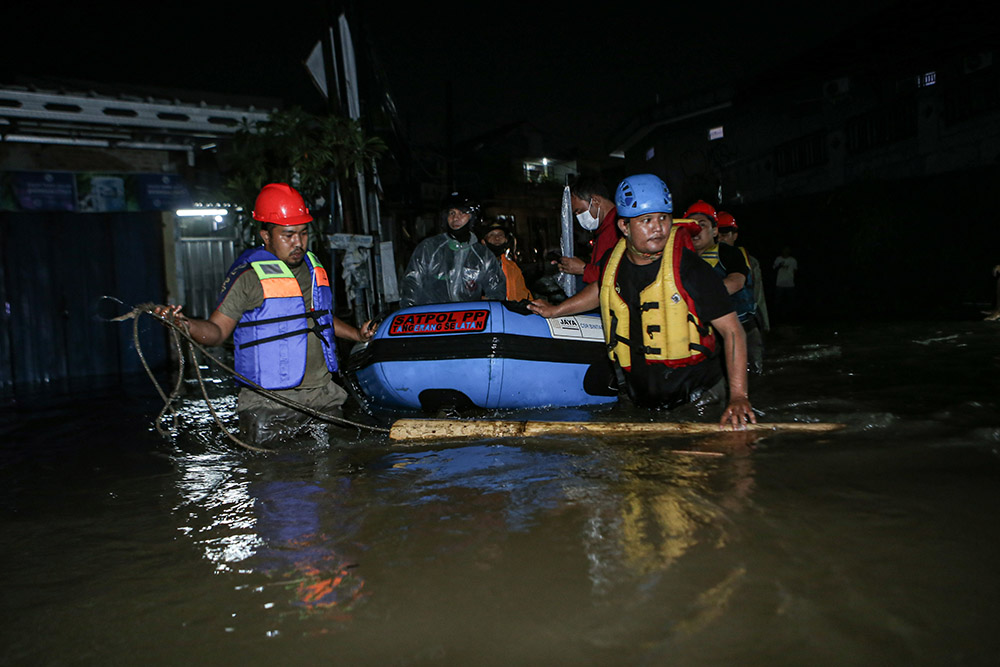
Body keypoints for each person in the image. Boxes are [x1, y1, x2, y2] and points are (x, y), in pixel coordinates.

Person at [154, 182, 375, 445]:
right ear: (266, 236)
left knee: (333, 476)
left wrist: (357, 335)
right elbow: (217, 332)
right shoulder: (248, 278)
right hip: (268, 402)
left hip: (322, 396)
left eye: (303, 234)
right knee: (268, 479)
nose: (299, 243)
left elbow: (320, 318)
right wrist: (184, 324)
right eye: (288, 235)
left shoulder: (313, 268)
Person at [535, 174, 755, 429]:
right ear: (625, 227)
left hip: (697, 400)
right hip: (641, 400)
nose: (658, 228)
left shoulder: (692, 269)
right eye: (646, 220)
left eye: (663, 218)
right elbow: (600, 288)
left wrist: (739, 396)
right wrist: (556, 311)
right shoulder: (613, 262)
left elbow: (733, 331)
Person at [683, 200, 763, 375]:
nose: (695, 230)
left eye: (702, 225)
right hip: (708, 335)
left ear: (714, 230)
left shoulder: (728, 253)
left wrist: (692, 299)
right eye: (691, 226)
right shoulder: (683, 260)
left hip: (741, 329)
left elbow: (736, 282)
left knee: (751, 377)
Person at [399, 192, 506, 308]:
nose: (455, 218)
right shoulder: (429, 248)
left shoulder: (483, 255)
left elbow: (497, 292)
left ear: (472, 217)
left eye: (462, 213)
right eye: (452, 213)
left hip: (469, 321)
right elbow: (411, 284)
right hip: (432, 320)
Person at [717, 210, 769, 370]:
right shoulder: (702, 259)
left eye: (725, 233)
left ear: (735, 235)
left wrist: (764, 324)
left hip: (747, 322)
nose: (720, 238)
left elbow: (758, 294)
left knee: (754, 366)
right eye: (718, 234)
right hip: (720, 327)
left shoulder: (749, 260)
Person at [552, 174, 620, 284]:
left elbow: (617, 277)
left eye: (579, 211)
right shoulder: (604, 230)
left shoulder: (619, 228)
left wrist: (583, 269)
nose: (579, 217)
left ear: (595, 201)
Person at [480, 219, 532, 301]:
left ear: (506, 240)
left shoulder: (512, 268)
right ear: (483, 241)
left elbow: (523, 296)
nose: (497, 238)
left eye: (500, 235)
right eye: (492, 235)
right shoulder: (475, 266)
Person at [772, 246, 798, 320]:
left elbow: (795, 271)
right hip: (779, 283)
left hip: (790, 283)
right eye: (785, 250)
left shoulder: (793, 260)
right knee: (778, 301)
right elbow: (774, 269)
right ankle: (777, 317)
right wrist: (779, 266)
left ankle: (790, 317)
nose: (786, 251)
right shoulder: (778, 259)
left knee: (790, 301)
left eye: (787, 250)